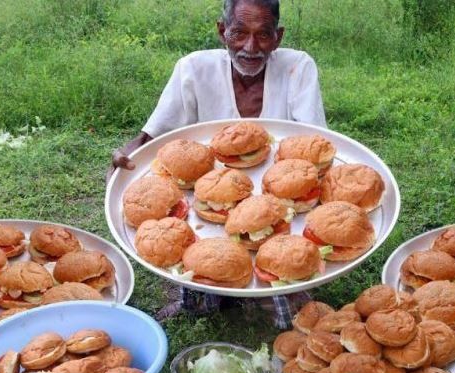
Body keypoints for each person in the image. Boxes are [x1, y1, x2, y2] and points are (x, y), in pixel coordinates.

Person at [108, 0, 326, 329]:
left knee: (282, 253)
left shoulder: (299, 67)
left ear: (278, 37)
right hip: (208, 193)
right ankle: (202, 296)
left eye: (263, 35)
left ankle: (283, 293)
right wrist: (127, 153)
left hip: (277, 196)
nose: (251, 47)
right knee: (201, 249)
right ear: (222, 31)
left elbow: (310, 141)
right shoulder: (193, 68)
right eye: (239, 33)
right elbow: (152, 137)